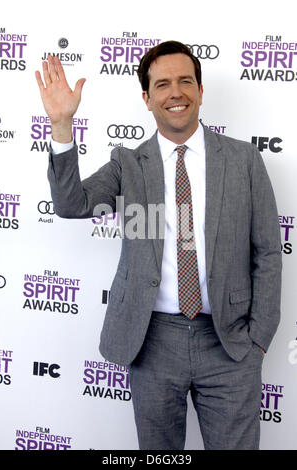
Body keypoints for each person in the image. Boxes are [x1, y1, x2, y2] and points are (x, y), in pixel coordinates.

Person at [35, 41, 282, 450]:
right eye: (163, 84)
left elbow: (268, 254)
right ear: (147, 99)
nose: (176, 93)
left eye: (186, 81)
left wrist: (258, 340)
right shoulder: (127, 164)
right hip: (152, 342)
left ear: (201, 91)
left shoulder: (244, 160)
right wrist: (62, 127)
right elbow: (71, 204)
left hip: (230, 343)